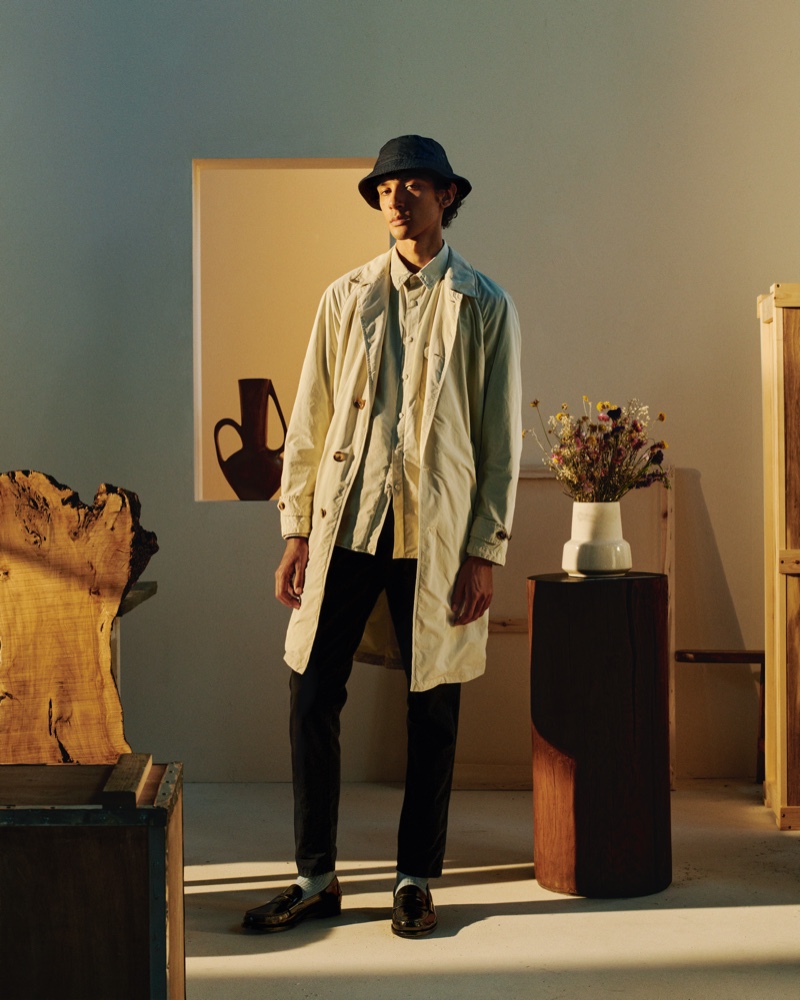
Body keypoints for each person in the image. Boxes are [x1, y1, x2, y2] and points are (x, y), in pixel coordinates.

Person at [243, 135, 521, 938]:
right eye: (385, 188)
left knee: (432, 707)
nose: (395, 199)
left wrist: (484, 550)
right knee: (310, 693)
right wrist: (296, 531)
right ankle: (315, 877)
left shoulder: (485, 303)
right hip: (350, 525)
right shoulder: (346, 296)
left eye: (412, 186)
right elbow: (309, 421)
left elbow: (500, 441)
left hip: (435, 536)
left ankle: (414, 879)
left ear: (446, 196)